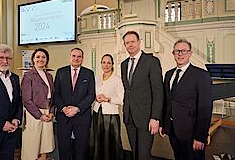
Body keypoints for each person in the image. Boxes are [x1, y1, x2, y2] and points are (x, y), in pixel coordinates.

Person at [159, 39, 212, 160]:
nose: (180, 54)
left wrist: (200, 137)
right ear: (173, 53)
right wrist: (163, 123)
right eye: (177, 51)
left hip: (191, 132)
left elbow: (205, 108)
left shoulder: (201, 75)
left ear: (190, 53)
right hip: (172, 129)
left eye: (184, 51)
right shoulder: (168, 74)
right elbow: (166, 101)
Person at [121, 31, 164, 160]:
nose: (130, 45)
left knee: (144, 155)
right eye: (127, 42)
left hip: (146, 118)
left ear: (139, 42)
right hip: (129, 117)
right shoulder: (123, 64)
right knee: (135, 153)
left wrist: (155, 117)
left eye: (132, 41)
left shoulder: (152, 61)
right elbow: (128, 90)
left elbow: (158, 92)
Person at [54, 47, 95, 160]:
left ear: (82, 58)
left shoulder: (89, 73)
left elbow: (91, 95)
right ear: (70, 57)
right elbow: (56, 94)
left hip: (82, 117)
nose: (76, 58)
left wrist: (77, 108)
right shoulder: (61, 72)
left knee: (81, 149)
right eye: (74, 56)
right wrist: (63, 108)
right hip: (64, 117)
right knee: (63, 148)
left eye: (79, 56)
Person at [21, 48, 55, 160]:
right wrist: (40, 115)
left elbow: (53, 96)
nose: (41, 59)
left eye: (43, 57)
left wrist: (51, 112)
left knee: (45, 145)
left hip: (47, 113)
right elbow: (26, 100)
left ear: (47, 60)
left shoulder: (49, 76)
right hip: (34, 114)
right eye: (38, 57)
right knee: (32, 145)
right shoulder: (28, 76)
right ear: (33, 59)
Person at [90, 54, 124, 160]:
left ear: (112, 64)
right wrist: (96, 98)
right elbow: (92, 94)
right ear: (101, 64)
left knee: (111, 143)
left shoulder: (117, 79)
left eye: (109, 62)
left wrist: (108, 99)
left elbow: (122, 99)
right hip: (97, 113)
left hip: (111, 116)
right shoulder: (96, 79)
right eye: (104, 62)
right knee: (97, 140)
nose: (106, 65)